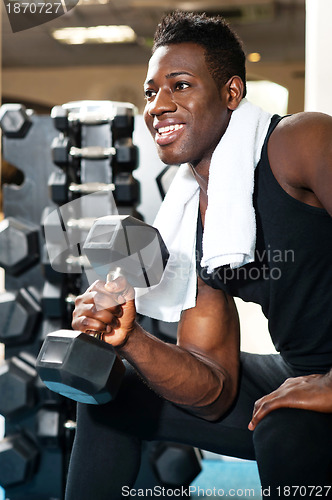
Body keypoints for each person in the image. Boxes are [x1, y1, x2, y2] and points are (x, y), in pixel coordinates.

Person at [65, 11, 332, 499]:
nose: (158, 106)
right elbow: (213, 393)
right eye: (151, 92)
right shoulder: (195, 216)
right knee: (110, 393)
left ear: (231, 93)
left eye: (180, 86)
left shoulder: (302, 142)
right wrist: (131, 340)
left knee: (286, 429)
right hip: (303, 371)